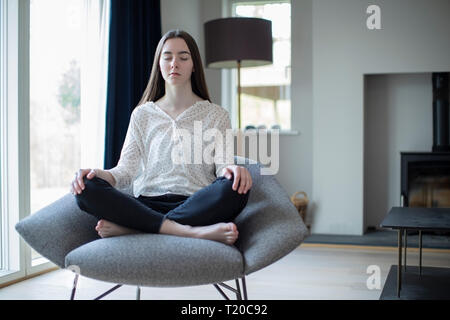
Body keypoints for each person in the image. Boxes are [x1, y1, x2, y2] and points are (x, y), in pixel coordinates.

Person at [71, 29, 252, 246]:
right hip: (147, 205)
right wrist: (95, 174)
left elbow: (223, 166)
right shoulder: (142, 115)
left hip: (196, 203)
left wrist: (232, 171)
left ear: (194, 65)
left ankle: (134, 228)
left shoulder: (217, 115)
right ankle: (191, 232)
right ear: (159, 63)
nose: (174, 63)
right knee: (87, 189)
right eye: (167, 57)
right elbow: (125, 172)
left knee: (236, 188)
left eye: (183, 57)